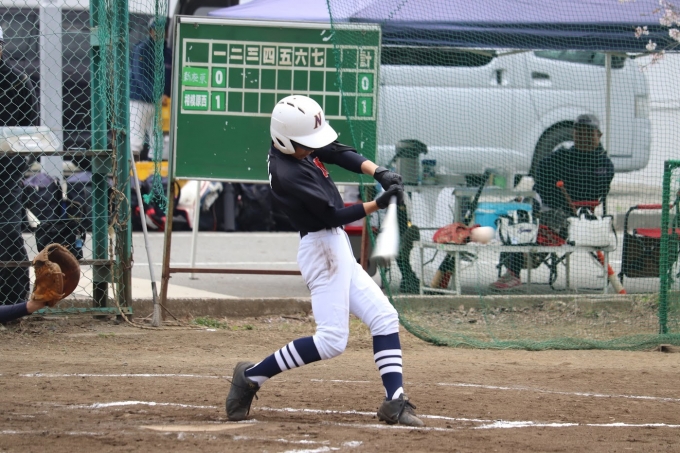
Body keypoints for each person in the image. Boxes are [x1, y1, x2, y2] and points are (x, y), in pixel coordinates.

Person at [226, 95, 424, 427]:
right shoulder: (288, 172)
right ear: (285, 141)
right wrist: (379, 204)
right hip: (321, 250)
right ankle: (251, 376)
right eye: (307, 143)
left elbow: (334, 150)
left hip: (335, 245)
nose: (313, 147)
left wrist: (379, 172)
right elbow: (332, 214)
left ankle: (394, 401)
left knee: (384, 317)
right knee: (332, 340)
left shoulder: (297, 145)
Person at [490, 114, 615, 290]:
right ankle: (513, 271)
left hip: (577, 219)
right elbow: (541, 176)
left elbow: (593, 191)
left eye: (588, 133)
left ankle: (516, 268)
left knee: (526, 220)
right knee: (518, 212)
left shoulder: (604, 164)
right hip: (548, 209)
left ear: (599, 135)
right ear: (574, 134)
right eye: (579, 133)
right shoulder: (561, 156)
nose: (583, 137)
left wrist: (562, 187)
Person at [0, 24, 38, 306]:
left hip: (6, 168)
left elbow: (29, 125)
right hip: (10, 165)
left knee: (8, 230)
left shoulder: (16, 81)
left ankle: (13, 299)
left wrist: (19, 160)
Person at [129, 17, 172, 161]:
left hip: (159, 103)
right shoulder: (142, 49)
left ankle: (155, 173)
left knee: (158, 142)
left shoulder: (168, 53)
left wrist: (166, 95)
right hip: (139, 100)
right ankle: (131, 171)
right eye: (155, 30)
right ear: (150, 31)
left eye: (162, 30)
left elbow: (170, 77)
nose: (158, 33)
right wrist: (157, 95)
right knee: (135, 139)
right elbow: (140, 76)